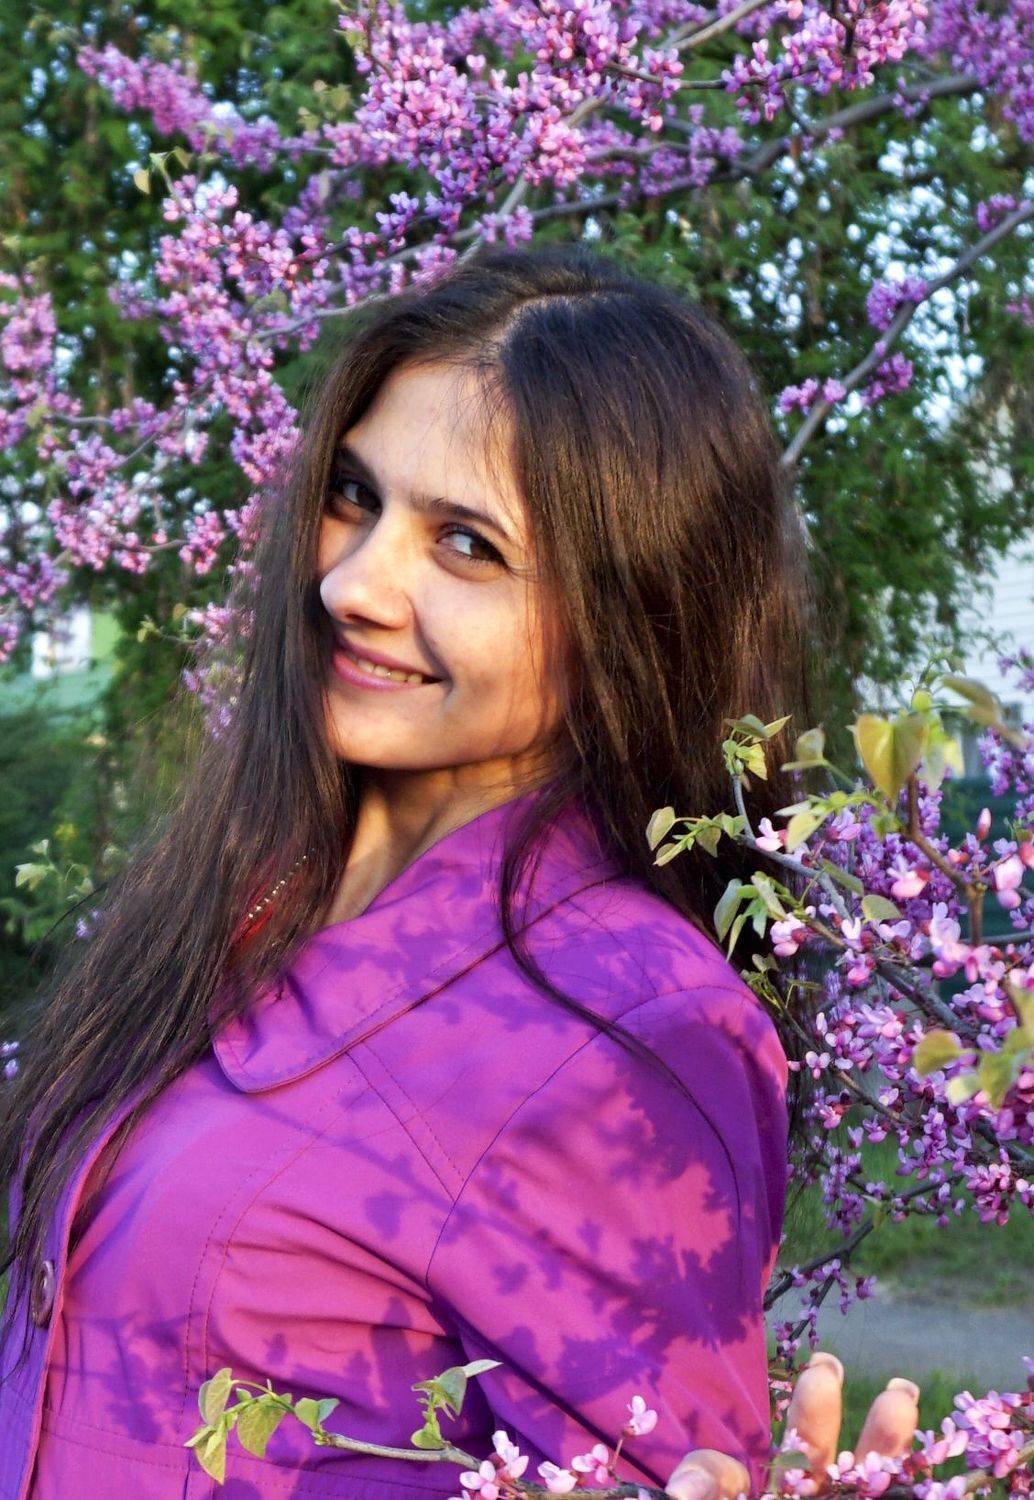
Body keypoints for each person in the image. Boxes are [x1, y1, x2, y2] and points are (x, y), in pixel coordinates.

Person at [0, 243, 919, 1499]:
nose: (350, 583)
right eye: (352, 495)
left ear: (629, 619)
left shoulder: (635, 1028)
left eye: (467, 546)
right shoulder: (246, 895)